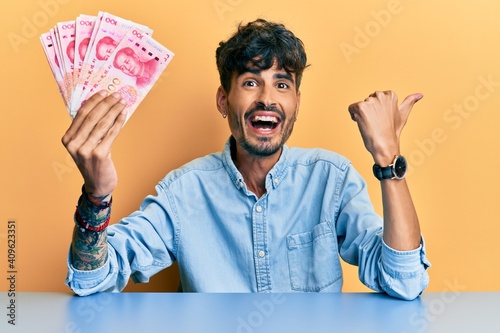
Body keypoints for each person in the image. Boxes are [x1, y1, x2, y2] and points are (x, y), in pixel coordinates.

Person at [62, 19, 430, 299]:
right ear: (224, 101)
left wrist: (388, 160)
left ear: (296, 104)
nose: (267, 98)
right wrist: (97, 195)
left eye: (282, 84)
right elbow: (91, 280)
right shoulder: (183, 192)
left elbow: (405, 280)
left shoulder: (331, 179)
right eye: (251, 82)